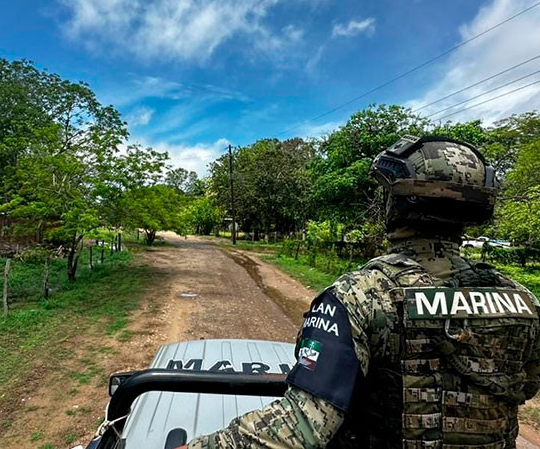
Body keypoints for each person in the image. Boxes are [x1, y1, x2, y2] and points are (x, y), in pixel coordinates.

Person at [180, 135, 540, 449]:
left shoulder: (361, 294)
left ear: (398, 204)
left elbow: (302, 428)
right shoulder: (523, 299)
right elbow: (524, 388)